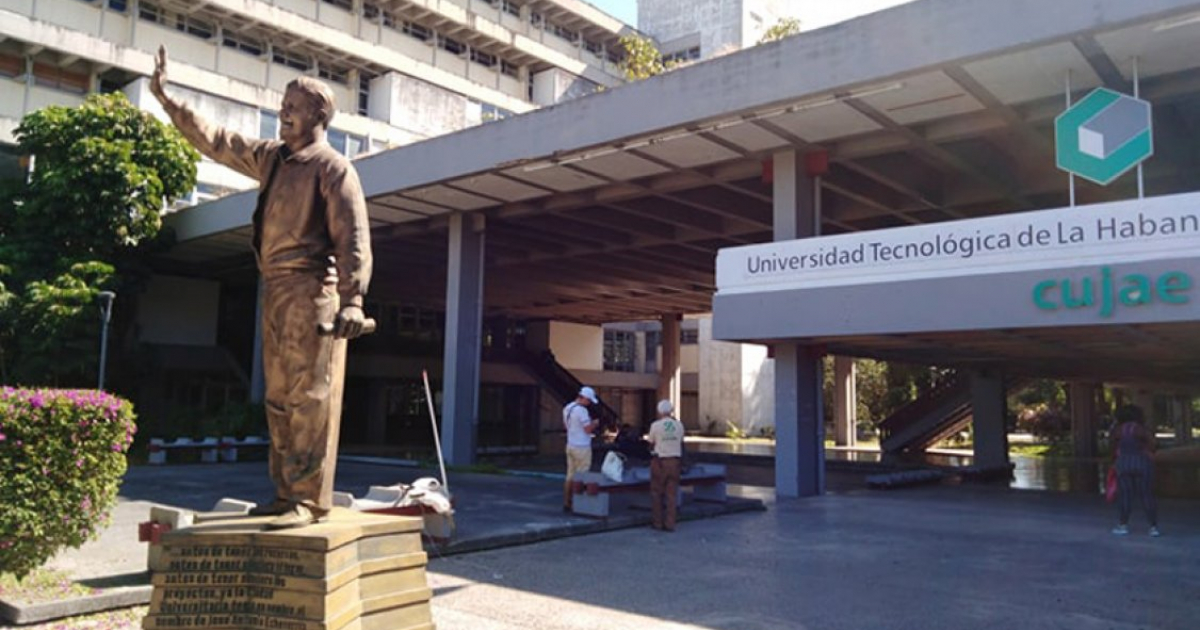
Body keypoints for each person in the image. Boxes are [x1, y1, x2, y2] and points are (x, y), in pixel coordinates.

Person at [150, 46, 373, 529]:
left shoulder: (333, 168)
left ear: (319, 116)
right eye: (282, 107)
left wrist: (353, 300)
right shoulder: (272, 159)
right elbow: (217, 141)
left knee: (310, 397)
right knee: (278, 397)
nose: (283, 114)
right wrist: (169, 101)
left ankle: (308, 499)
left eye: (293, 109)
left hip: (312, 291)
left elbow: (352, 238)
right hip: (272, 289)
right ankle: (285, 492)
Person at [1108, 405, 1159, 537]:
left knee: (1125, 495)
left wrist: (1114, 462)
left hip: (1123, 463)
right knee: (1147, 495)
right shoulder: (1141, 429)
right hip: (1142, 463)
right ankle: (1153, 527)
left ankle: (1123, 525)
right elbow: (1153, 444)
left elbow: (1112, 448)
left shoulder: (1117, 430)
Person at [647, 399, 684, 532]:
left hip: (660, 462)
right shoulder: (679, 425)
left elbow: (651, 443)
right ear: (671, 411)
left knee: (657, 493)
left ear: (659, 411)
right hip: (675, 462)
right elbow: (681, 443)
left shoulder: (655, 426)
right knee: (671, 494)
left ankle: (657, 522)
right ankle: (670, 523)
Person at [562, 386, 599, 513]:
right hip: (582, 447)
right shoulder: (582, 411)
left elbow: (566, 426)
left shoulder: (568, 408)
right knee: (582, 475)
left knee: (570, 475)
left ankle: (567, 502)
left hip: (570, 444)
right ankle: (578, 503)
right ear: (585, 398)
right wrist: (595, 423)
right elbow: (587, 429)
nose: (589, 404)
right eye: (589, 401)